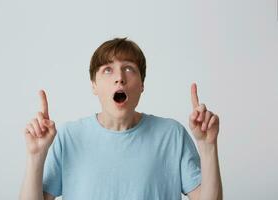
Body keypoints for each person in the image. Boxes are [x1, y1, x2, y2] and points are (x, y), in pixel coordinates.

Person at [19, 37, 223, 200]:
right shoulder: (68, 137)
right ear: (94, 86)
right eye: (108, 69)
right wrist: (36, 156)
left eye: (129, 68)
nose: (119, 77)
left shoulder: (172, 135)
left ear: (141, 84)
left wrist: (208, 146)